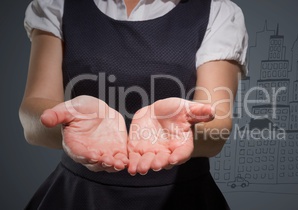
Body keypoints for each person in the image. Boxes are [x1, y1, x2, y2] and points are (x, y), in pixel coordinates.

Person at [19, 0, 248, 209]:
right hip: (77, 197)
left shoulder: (217, 11)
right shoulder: (58, 4)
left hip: (183, 200)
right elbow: (34, 116)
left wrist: (179, 133)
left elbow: (217, 124)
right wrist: (72, 126)